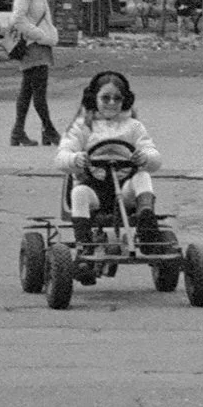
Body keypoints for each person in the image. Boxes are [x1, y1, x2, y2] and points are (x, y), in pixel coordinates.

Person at [55, 71, 163, 279]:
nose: (111, 103)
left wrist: (145, 158)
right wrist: (75, 159)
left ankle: (146, 221)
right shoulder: (82, 126)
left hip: (125, 188)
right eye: (105, 98)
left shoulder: (133, 127)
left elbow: (154, 156)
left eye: (117, 98)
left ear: (125, 100)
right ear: (94, 98)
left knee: (143, 177)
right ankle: (85, 247)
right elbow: (61, 156)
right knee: (78, 194)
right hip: (94, 187)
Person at [9, 0, 61, 147]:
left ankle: (18, 132)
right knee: (39, 92)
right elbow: (18, 19)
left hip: (41, 45)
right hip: (34, 46)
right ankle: (50, 130)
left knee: (28, 91)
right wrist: (40, 35)